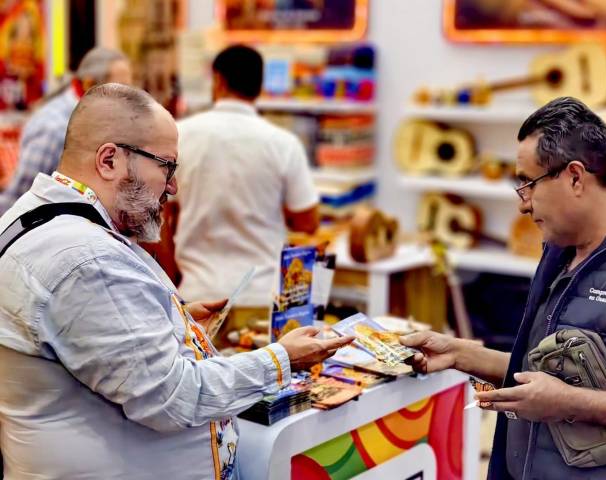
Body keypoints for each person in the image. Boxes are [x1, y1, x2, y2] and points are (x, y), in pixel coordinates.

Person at [0, 83, 352, 479]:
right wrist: (282, 360)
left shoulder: (41, 216)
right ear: (109, 160)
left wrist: (171, 319)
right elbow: (173, 398)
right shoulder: (87, 259)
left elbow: (95, 341)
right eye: (165, 166)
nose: (173, 186)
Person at [400, 97, 606, 478]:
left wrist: (571, 403)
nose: (523, 205)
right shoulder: (560, 256)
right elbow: (548, 381)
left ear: (574, 177)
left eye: (528, 183)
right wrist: (460, 355)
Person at [173, 44, 319, 340]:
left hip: (197, 294)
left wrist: (170, 278)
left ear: (218, 80)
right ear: (260, 85)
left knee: (196, 370)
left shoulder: (180, 136)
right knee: (263, 370)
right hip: (260, 297)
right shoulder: (283, 143)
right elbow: (307, 222)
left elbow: (162, 219)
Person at [0, 47, 132, 215]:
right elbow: (19, 199)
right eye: (120, 90)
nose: (128, 100)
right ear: (89, 84)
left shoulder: (95, 121)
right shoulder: (54, 128)